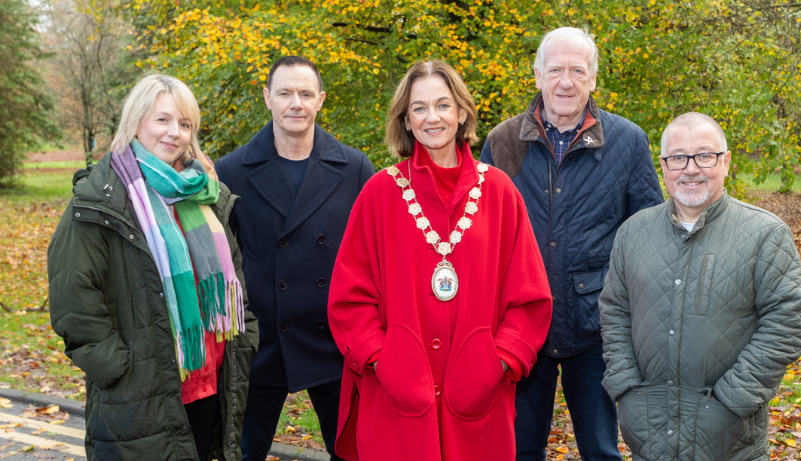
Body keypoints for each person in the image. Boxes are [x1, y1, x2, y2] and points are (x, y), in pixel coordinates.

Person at [327, 60, 553, 461]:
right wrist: (384, 362)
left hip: (479, 405)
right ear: (406, 120)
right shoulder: (380, 192)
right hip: (395, 402)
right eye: (419, 108)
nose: (432, 117)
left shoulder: (500, 192)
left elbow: (529, 297)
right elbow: (350, 297)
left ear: (462, 112)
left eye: (443, 105)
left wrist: (495, 364)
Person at [47, 74, 259, 461]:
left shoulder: (205, 194)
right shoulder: (102, 198)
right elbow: (72, 301)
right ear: (136, 122)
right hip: (139, 398)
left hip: (211, 386)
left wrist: (243, 343)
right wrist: (122, 370)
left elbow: (236, 284)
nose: (174, 133)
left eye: (184, 123)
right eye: (162, 120)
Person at [479, 27, 664, 460]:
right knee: (518, 449)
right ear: (538, 74)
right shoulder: (502, 142)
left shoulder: (628, 140)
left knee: (601, 449)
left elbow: (647, 233)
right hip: (522, 323)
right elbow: (480, 234)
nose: (566, 81)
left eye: (578, 71)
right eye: (556, 70)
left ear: (594, 79)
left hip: (596, 325)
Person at [599, 112, 801, 460]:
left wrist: (729, 402)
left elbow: (788, 325)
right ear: (663, 164)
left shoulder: (765, 234)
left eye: (705, 155)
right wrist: (627, 392)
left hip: (731, 440)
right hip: (649, 436)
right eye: (678, 157)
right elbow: (614, 313)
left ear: (725, 162)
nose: (691, 168)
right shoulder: (632, 233)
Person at [214, 56, 375, 461]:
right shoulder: (231, 170)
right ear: (267, 98)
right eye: (285, 93)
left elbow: (374, 257)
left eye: (305, 94)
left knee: (353, 452)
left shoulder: (355, 168)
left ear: (321, 100)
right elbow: (223, 261)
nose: (295, 103)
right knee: (243, 453)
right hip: (261, 340)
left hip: (334, 340)